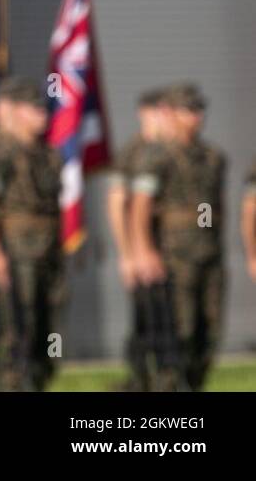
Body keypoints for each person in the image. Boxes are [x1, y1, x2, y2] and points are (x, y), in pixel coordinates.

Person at [0, 77, 65, 391]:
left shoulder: (46, 152)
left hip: (45, 257)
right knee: (11, 338)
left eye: (43, 108)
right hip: (11, 258)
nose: (42, 115)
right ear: (13, 110)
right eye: (34, 109)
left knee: (44, 335)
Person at [129, 82, 227, 391]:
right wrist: (143, 251)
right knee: (177, 331)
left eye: (199, 110)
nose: (196, 117)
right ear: (170, 114)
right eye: (189, 110)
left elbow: (215, 206)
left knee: (208, 329)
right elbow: (140, 206)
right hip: (173, 255)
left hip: (208, 255)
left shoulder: (213, 157)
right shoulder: (155, 156)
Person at [106, 88, 167, 391]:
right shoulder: (134, 152)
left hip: (171, 249)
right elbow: (118, 203)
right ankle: (140, 379)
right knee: (146, 319)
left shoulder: (170, 150)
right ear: (143, 114)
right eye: (157, 111)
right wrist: (128, 254)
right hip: (143, 251)